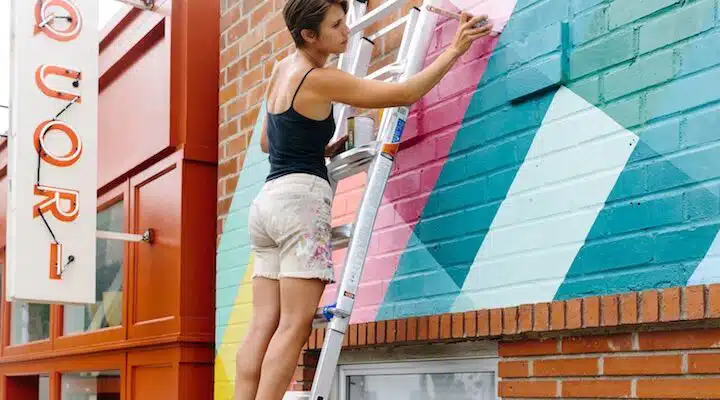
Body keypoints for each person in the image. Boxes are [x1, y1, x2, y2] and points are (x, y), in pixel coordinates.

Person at [234, 1, 493, 399]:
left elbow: (271, 141)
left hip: (267, 203)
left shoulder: (281, 70)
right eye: (336, 25)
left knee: (262, 323)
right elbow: (405, 91)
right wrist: (455, 48)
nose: (347, 31)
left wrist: (314, 144)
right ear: (309, 35)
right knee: (294, 324)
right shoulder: (319, 78)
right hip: (300, 205)